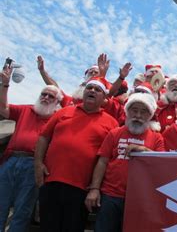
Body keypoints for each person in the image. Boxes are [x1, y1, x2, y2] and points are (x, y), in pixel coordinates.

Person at [34, 76, 119, 232]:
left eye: (97, 89)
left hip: (82, 189)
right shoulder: (64, 111)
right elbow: (44, 137)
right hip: (51, 181)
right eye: (89, 88)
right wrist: (38, 163)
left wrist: (95, 188)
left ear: (104, 98)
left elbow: (106, 159)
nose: (92, 91)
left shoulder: (111, 123)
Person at [84, 93, 165, 232]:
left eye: (143, 111)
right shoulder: (115, 133)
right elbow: (102, 161)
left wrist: (144, 150)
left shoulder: (157, 138)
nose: (138, 115)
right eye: (134, 110)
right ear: (127, 112)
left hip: (140, 199)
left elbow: (161, 164)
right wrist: (94, 189)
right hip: (111, 196)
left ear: (150, 115)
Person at [0, 65, 62, 232]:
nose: (46, 98)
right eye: (44, 94)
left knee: (23, 210)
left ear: (57, 103)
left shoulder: (58, 121)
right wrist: (4, 85)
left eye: (51, 96)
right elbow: (3, 109)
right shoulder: (26, 109)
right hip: (10, 161)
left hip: (33, 165)